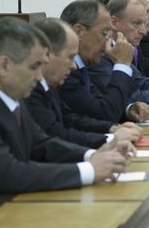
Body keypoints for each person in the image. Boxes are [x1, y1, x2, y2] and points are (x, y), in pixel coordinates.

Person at [0, 17, 130, 227]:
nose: (40, 76)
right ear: (4, 65)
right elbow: (9, 174)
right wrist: (89, 170)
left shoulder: (8, 95)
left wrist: (93, 155)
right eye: (35, 66)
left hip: (7, 211)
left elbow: (41, 143)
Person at [25, 18, 143, 150]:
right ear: (47, 55)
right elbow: (57, 135)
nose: (74, 65)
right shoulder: (29, 90)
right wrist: (110, 139)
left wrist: (112, 128)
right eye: (70, 57)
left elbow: (70, 119)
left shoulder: (48, 85)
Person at [57, 0, 149, 122]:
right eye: (104, 32)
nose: (108, 41)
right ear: (79, 31)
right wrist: (122, 65)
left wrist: (129, 110)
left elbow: (98, 107)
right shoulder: (65, 71)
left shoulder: (81, 67)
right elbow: (105, 114)